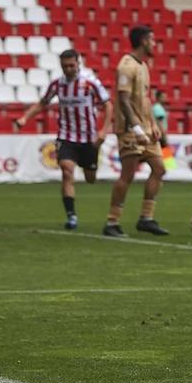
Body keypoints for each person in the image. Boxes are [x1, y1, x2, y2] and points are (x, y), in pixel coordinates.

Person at [15, 49, 112, 230]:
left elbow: (108, 105)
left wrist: (104, 131)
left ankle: (89, 169)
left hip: (89, 139)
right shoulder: (57, 85)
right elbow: (43, 103)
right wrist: (25, 118)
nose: (68, 69)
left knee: (90, 178)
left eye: (71, 65)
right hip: (66, 137)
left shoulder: (90, 83)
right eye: (65, 66)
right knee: (67, 171)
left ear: (78, 64)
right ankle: (71, 216)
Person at [103, 25, 169, 237]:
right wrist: (136, 127)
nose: (155, 44)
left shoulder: (143, 66)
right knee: (128, 174)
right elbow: (123, 99)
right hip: (131, 130)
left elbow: (145, 99)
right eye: (152, 39)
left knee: (160, 168)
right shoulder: (126, 66)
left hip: (147, 129)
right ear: (143, 41)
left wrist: (154, 125)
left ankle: (146, 219)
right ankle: (112, 223)